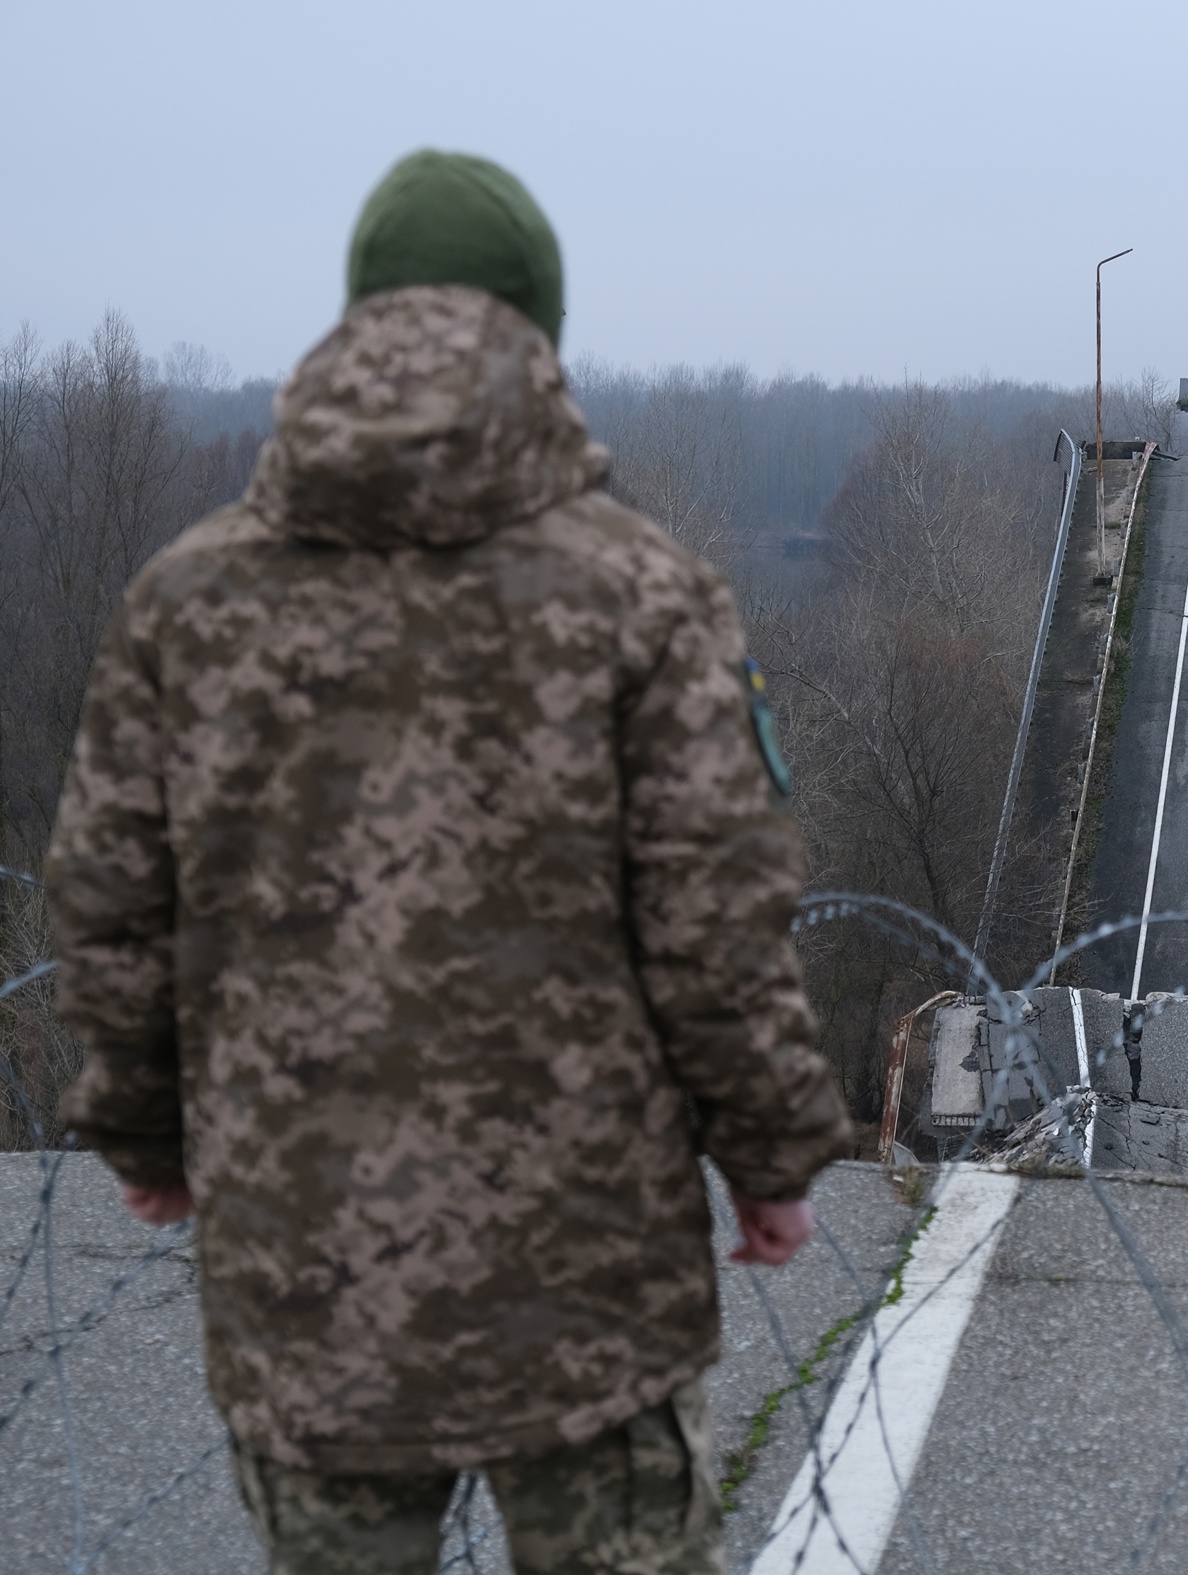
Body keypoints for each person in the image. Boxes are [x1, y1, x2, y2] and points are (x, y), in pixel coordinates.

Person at [46, 149, 852, 1574]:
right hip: (589, 1271)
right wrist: (770, 1157)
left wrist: (144, 1134)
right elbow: (714, 921)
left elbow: (115, 908)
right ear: (540, 329)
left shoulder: (190, 600)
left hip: (307, 1264)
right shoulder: (640, 593)